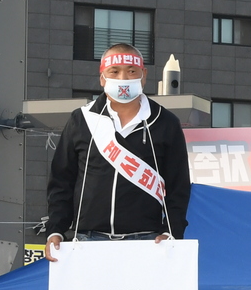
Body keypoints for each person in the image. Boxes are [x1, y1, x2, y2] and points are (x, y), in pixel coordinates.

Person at [45, 43, 192, 258]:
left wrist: (172, 231)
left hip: (148, 242)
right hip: (87, 240)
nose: (123, 79)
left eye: (131, 71)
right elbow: (61, 180)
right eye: (114, 72)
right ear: (102, 78)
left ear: (144, 75)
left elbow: (178, 185)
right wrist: (55, 229)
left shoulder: (165, 122)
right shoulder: (82, 119)